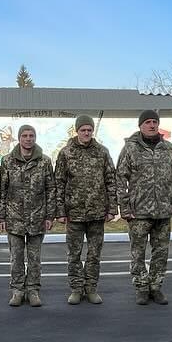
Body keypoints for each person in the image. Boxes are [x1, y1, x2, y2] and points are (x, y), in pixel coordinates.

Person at [115, 108, 172, 306]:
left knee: (161, 251)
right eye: (148, 122)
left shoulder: (169, 149)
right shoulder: (130, 149)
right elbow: (120, 177)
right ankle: (141, 287)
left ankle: (156, 286)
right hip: (139, 212)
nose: (152, 125)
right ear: (140, 126)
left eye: (155, 122)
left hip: (163, 210)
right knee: (138, 252)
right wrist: (125, 207)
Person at [54, 114, 118, 305]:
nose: (87, 133)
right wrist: (60, 211)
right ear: (77, 131)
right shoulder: (66, 153)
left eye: (89, 130)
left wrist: (112, 208)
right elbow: (59, 182)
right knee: (74, 254)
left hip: (97, 212)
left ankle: (91, 288)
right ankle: (76, 288)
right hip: (73, 213)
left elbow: (110, 181)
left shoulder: (103, 152)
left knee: (94, 253)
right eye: (83, 130)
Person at [0, 124, 54, 307]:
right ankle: (18, 290)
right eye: (24, 135)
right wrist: (1, 216)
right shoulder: (7, 161)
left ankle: (33, 290)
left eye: (31, 135)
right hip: (15, 218)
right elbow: (2, 190)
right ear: (19, 139)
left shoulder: (44, 162)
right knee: (16, 258)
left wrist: (49, 216)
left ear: (35, 138)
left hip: (37, 217)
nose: (28, 139)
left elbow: (50, 189)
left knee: (35, 258)